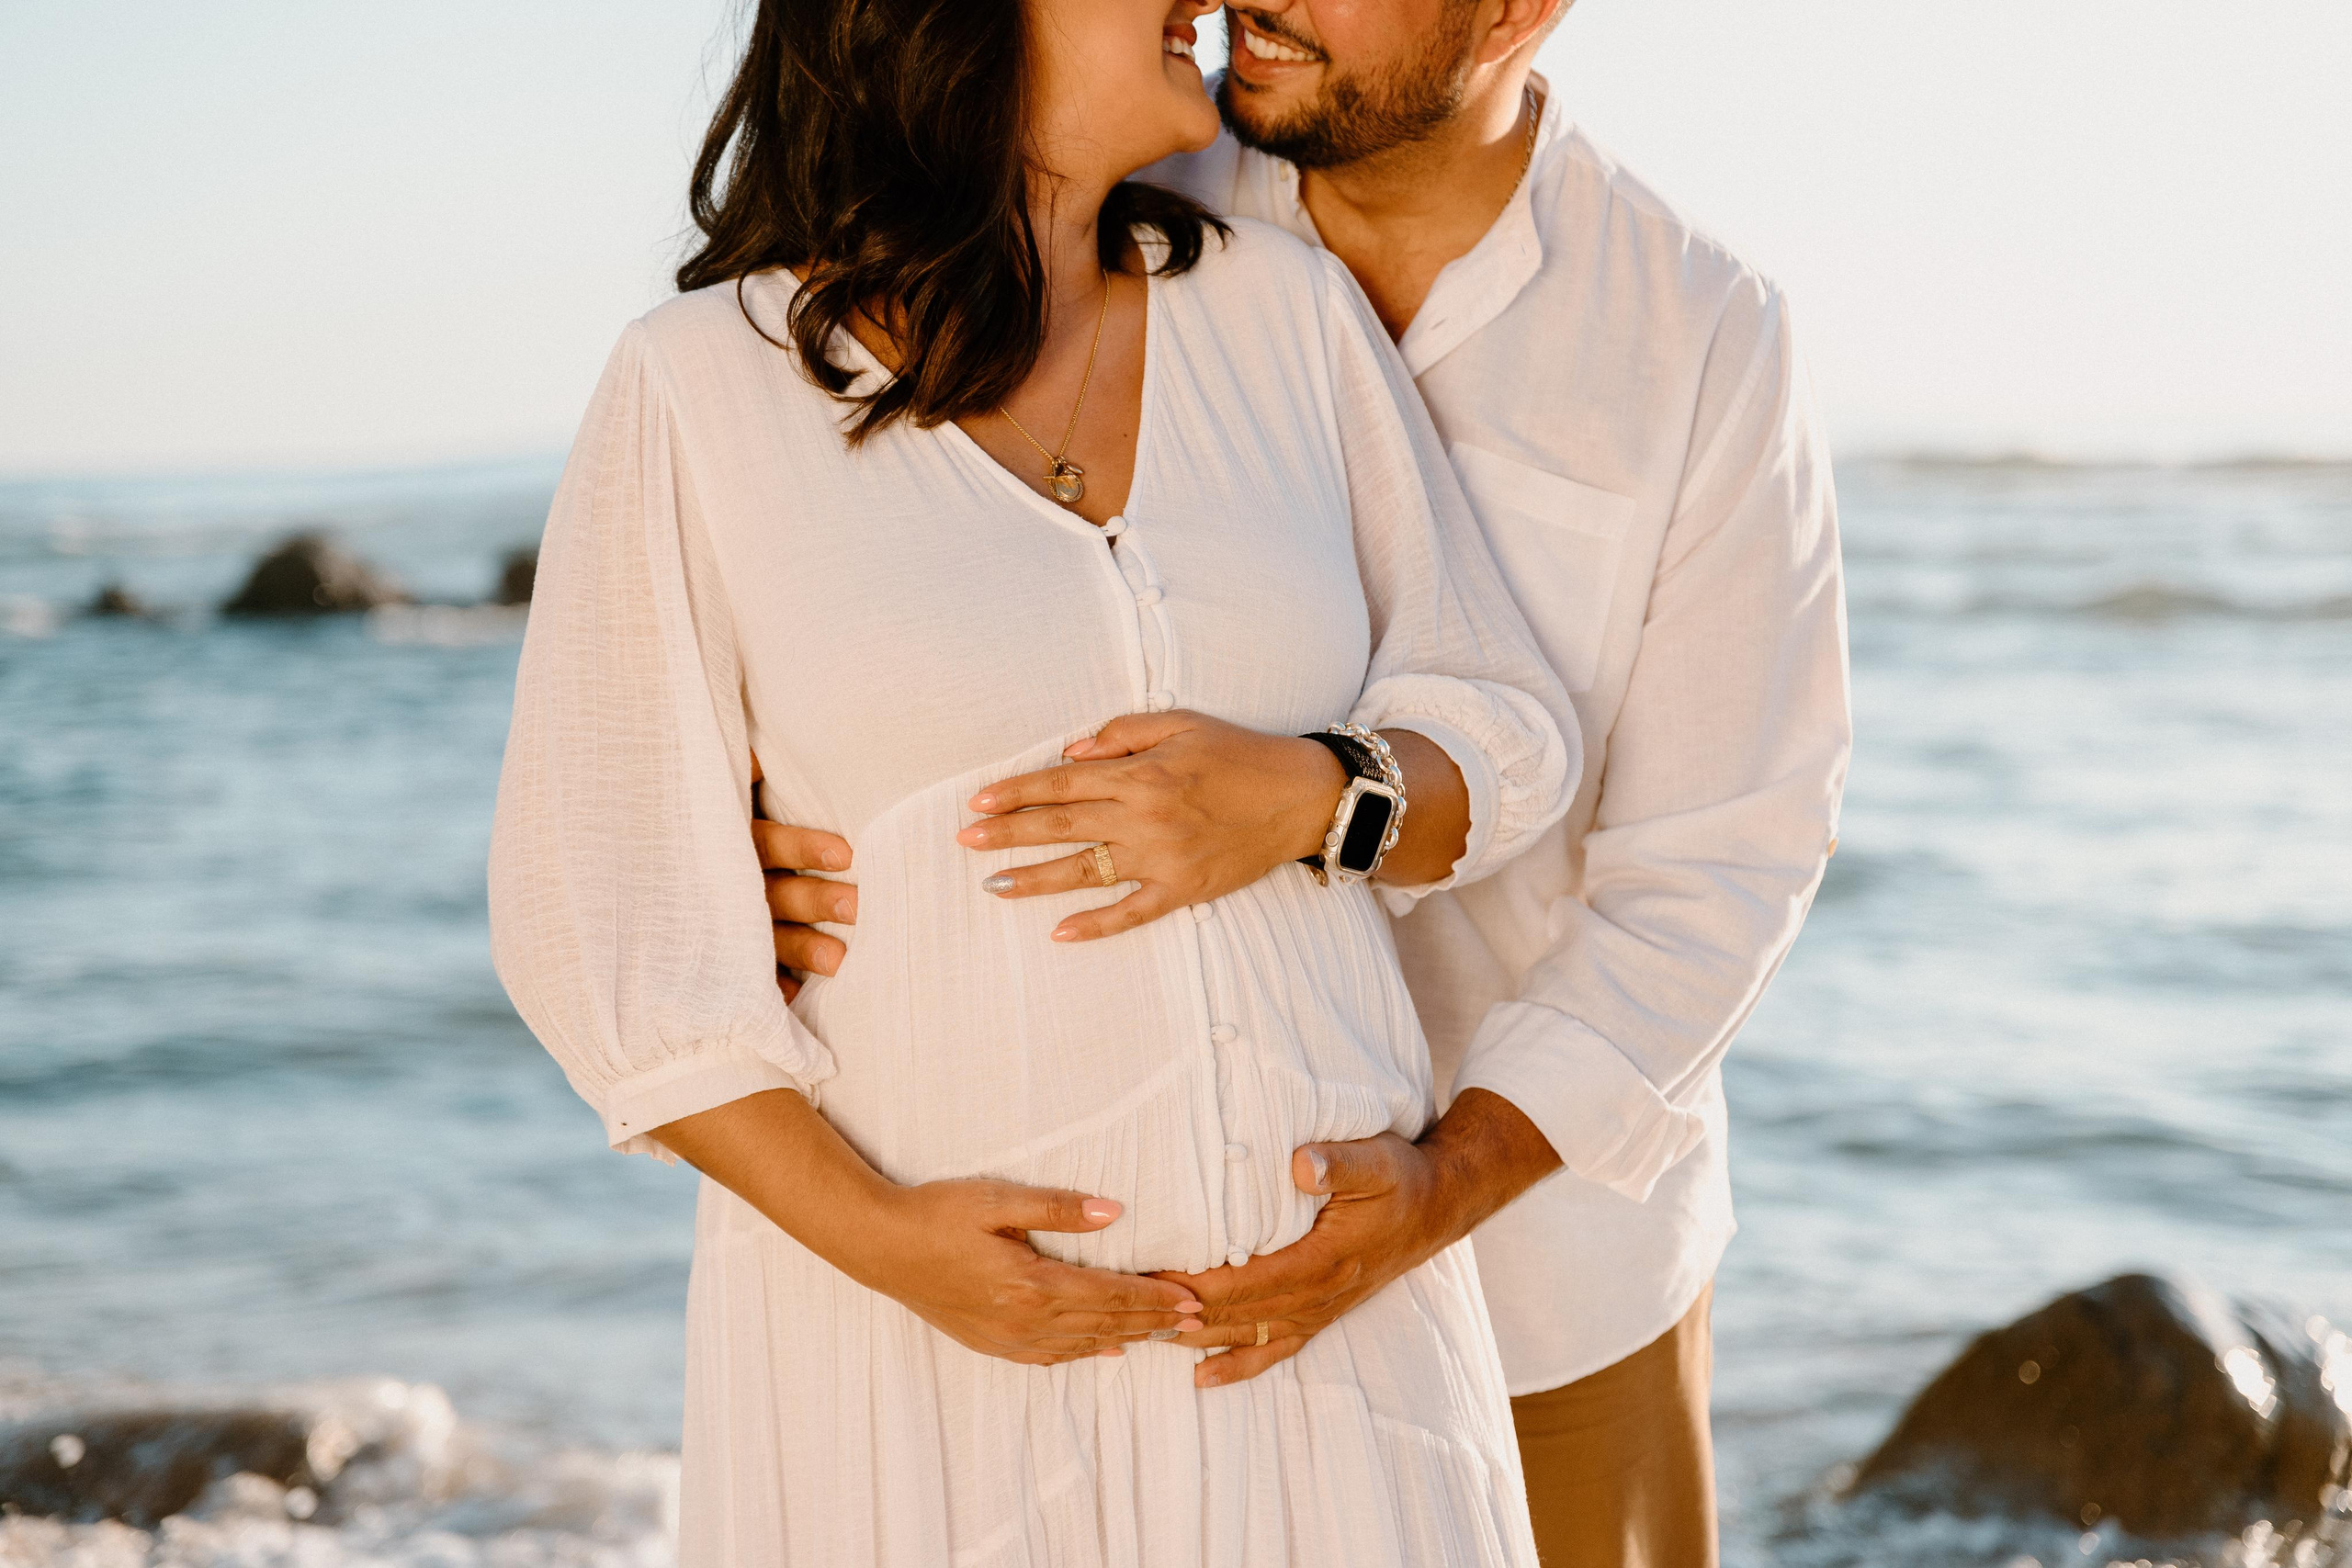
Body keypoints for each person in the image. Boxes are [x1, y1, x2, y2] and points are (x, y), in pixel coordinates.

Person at [488, 0, 1587, 1562]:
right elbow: (600, 919)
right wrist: (890, 1250)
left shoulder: (1282, 315)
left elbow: (1508, 728)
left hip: (1320, 1351)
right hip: (926, 1364)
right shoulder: (699, 388)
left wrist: (1317, 791)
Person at [754, 1, 1853, 1562]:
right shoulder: (1120, 171)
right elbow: (832, 531)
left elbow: (1725, 864)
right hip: (1139, 1262)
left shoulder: (1695, 335)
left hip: (1544, 1267)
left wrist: (1442, 1184)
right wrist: (745, 834)